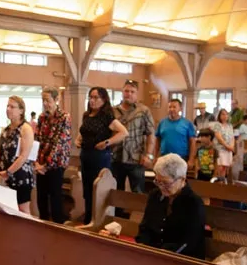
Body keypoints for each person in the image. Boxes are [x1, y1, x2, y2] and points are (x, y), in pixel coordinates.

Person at [133, 154, 205, 259]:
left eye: (166, 183)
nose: (161, 187)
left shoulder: (194, 203)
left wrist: (165, 253)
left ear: (182, 179)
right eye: (158, 181)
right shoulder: (155, 195)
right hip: (154, 255)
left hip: (181, 259)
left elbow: (189, 242)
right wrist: (143, 244)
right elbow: (145, 226)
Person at [75, 87, 127, 224]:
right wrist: (77, 139)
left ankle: (97, 220)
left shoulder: (107, 116)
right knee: (87, 190)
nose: (92, 100)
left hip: (99, 157)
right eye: (90, 97)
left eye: (96, 97)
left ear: (104, 100)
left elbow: (124, 132)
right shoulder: (87, 115)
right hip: (86, 155)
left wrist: (107, 142)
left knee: (97, 189)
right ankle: (88, 219)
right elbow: (84, 130)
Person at [34, 86, 72, 223]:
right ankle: (43, 225)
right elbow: (37, 139)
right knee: (41, 197)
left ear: (57, 100)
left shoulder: (64, 117)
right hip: (41, 164)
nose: (45, 103)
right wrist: (36, 162)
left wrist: (46, 165)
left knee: (55, 197)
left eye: (47, 100)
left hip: (56, 164)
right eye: (43, 100)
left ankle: (57, 228)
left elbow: (59, 143)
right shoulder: (42, 118)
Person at [112, 79, 156, 194]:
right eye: (126, 91)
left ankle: (138, 212)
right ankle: (118, 212)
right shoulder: (112, 111)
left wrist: (149, 155)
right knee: (116, 191)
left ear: (136, 94)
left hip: (136, 159)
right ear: (122, 92)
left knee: (138, 192)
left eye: (132, 92)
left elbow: (151, 133)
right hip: (116, 157)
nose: (129, 94)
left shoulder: (143, 111)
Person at [0, 96, 37, 214]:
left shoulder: (25, 129)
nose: (8, 109)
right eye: (7, 106)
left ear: (21, 110)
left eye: (12, 107)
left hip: (20, 176)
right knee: (5, 210)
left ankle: (26, 233)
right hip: (4, 176)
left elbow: (24, 156)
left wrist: (8, 172)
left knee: (22, 210)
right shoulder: (5, 130)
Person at [154, 97, 197, 164]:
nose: (171, 109)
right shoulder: (162, 123)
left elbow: (192, 142)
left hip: (181, 158)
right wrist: (155, 156)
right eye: (169, 107)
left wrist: (191, 159)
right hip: (164, 157)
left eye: (174, 107)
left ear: (180, 109)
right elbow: (157, 141)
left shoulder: (187, 123)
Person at [211, 109, 235, 178]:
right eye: (223, 114)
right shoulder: (217, 125)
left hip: (228, 150)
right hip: (220, 149)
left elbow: (232, 137)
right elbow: (219, 138)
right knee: (219, 168)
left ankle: (222, 183)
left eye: (226, 114)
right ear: (219, 116)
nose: (225, 116)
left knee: (225, 169)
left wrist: (232, 146)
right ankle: (216, 183)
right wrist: (227, 146)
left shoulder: (230, 125)